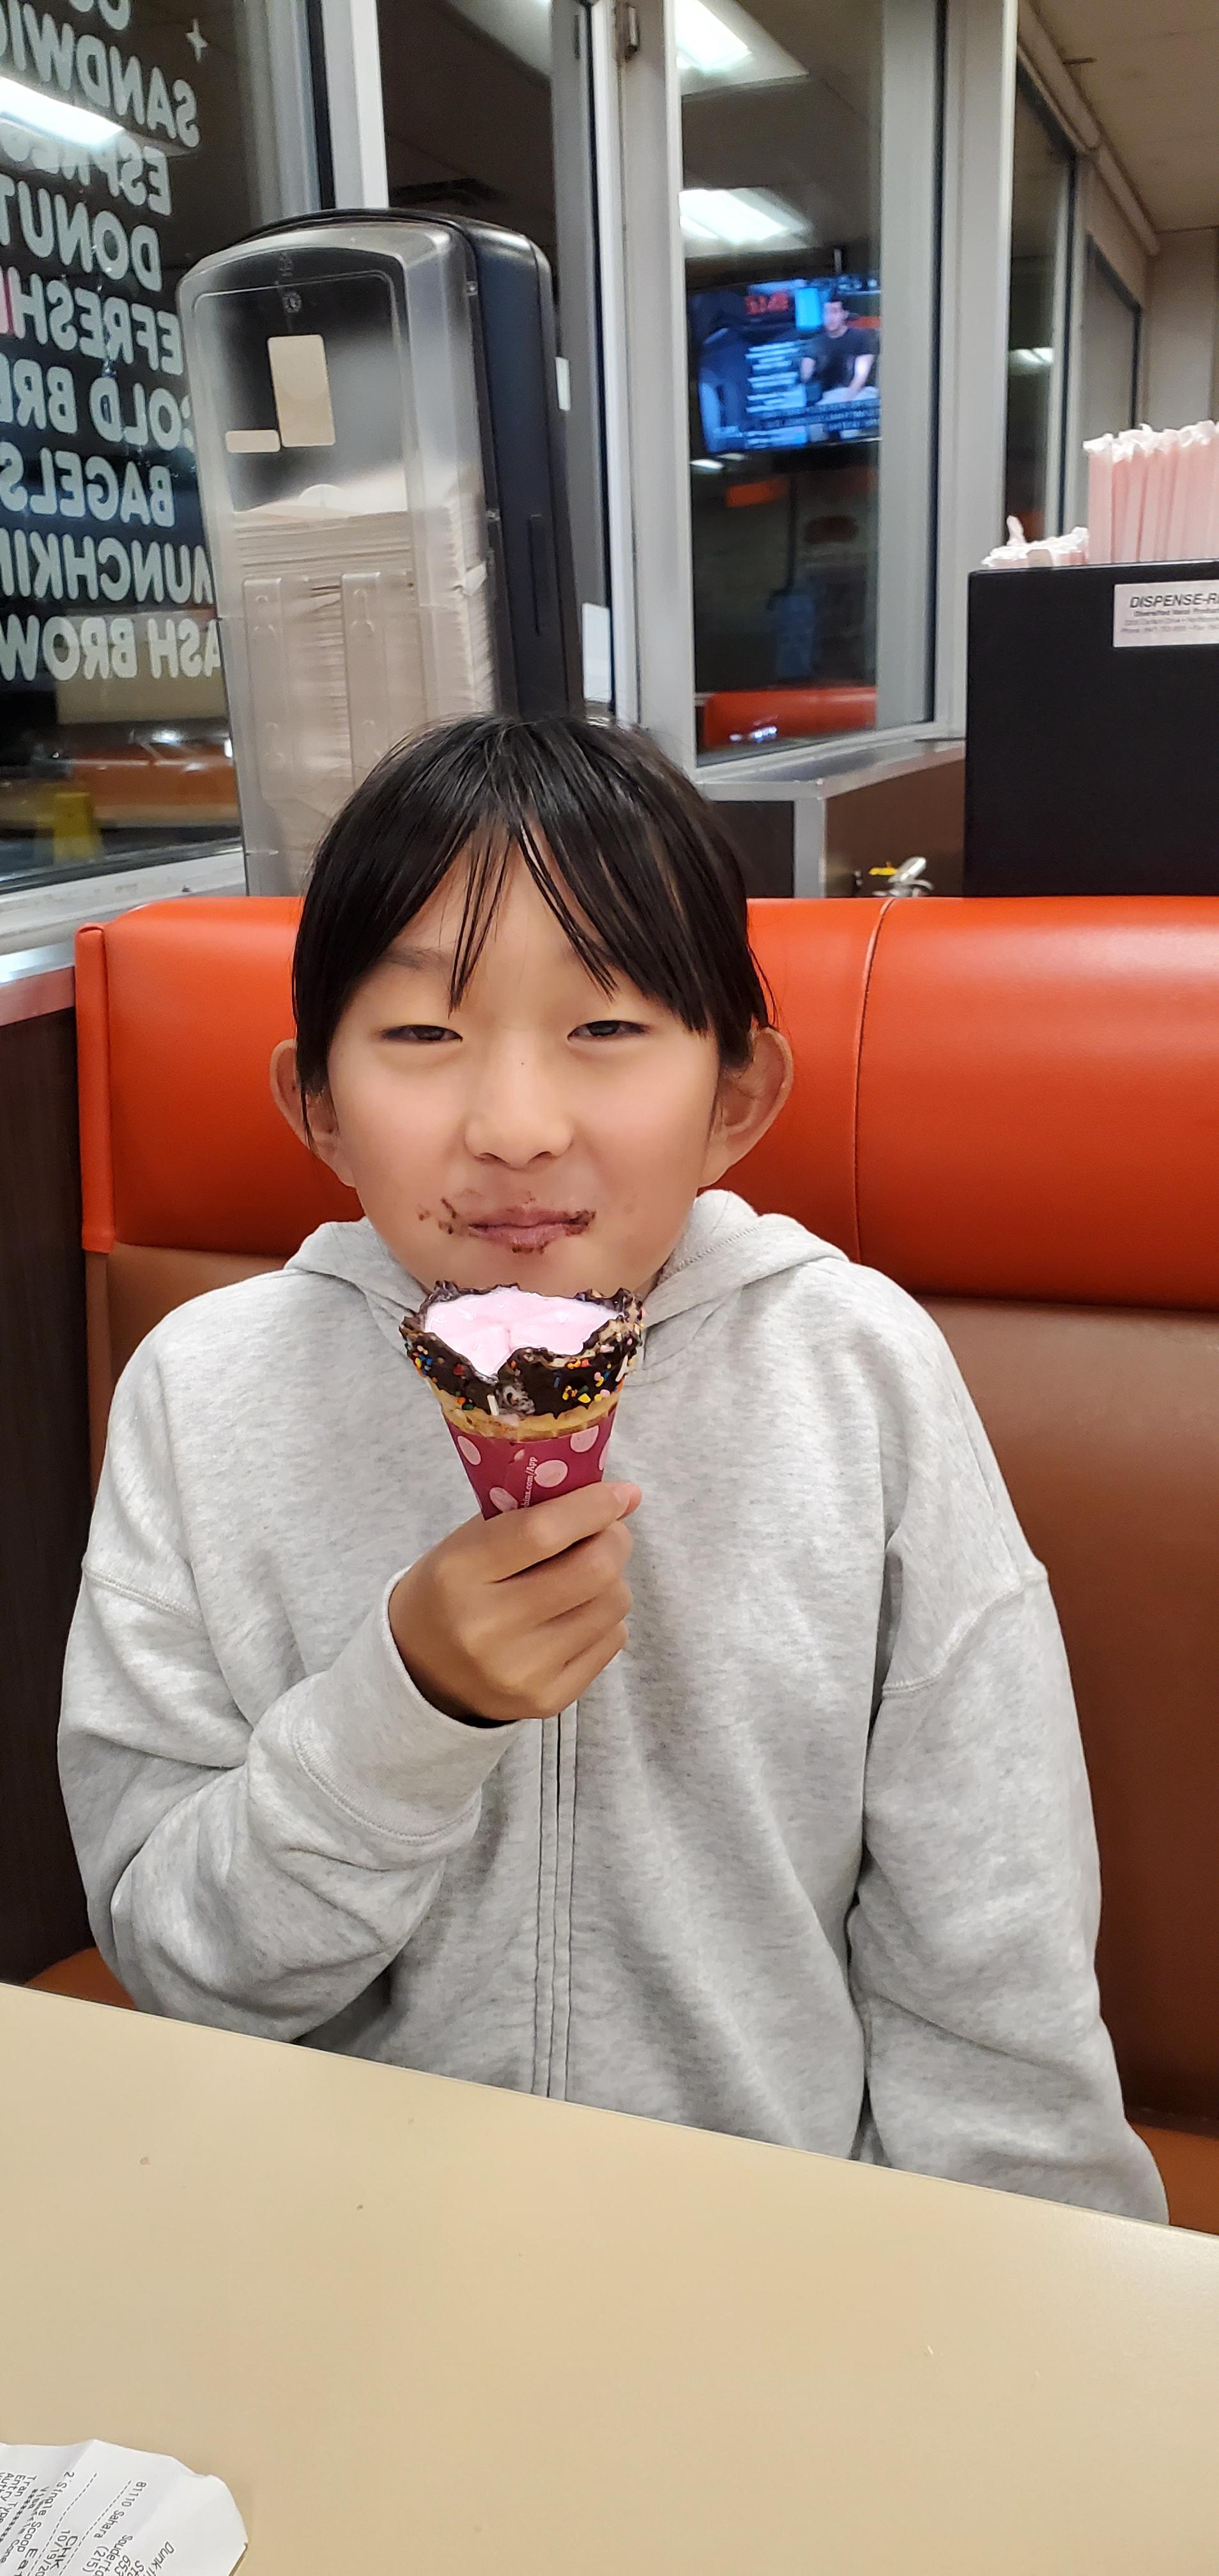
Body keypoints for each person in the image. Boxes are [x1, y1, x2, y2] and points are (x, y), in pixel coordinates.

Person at [59, 714, 1163, 2223]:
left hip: (757, 2232)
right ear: (317, 1104)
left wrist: (1027, 2283)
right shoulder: (203, 1393)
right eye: (422, 1036)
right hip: (327, 2226)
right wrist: (404, 1712)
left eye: (605, 1030)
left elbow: (988, 1948)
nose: (515, 1128)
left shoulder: (856, 1374)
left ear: (735, 1097)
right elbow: (179, 1964)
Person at [800, 294, 875, 405]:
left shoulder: (860, 337)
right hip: (830, 396)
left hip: (861, 393)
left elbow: (860, 377)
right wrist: (807, 370)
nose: (830, 318)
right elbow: (805, 376)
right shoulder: (816, 343)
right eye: (826, 313)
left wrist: (844, 403)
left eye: (835, 312)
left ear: (845, 314)